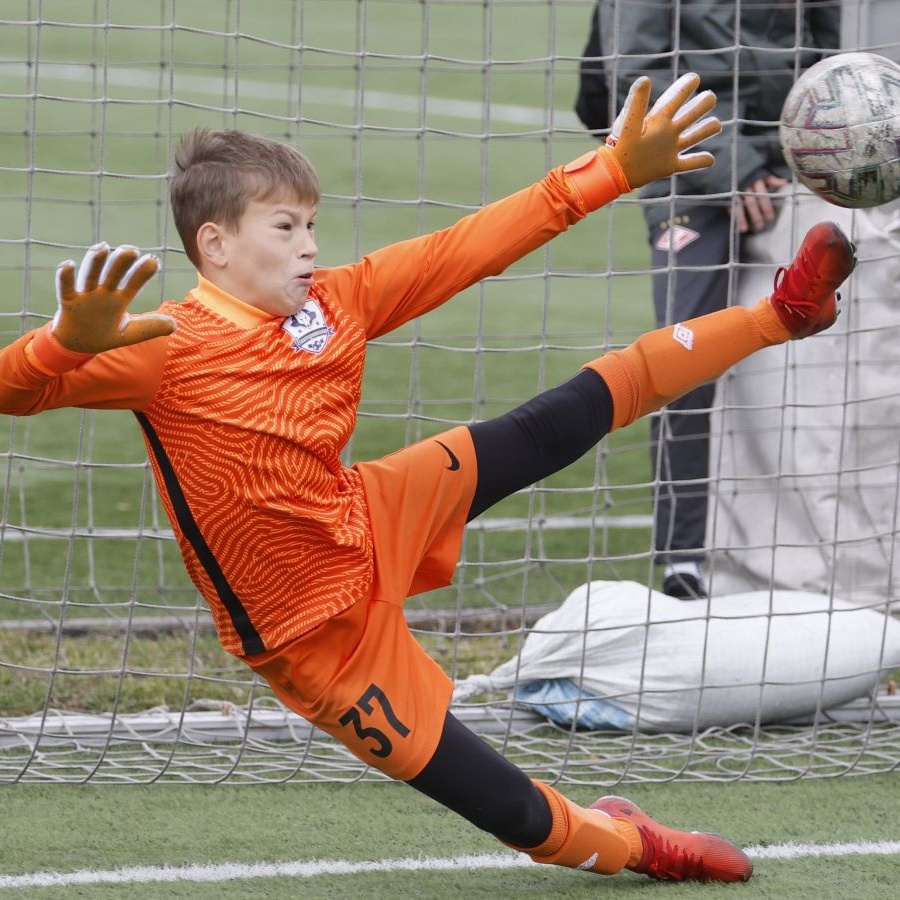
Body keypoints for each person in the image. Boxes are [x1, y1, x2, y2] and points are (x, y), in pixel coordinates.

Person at [0, 72, 856, 884]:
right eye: (286, 227)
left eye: (311, 224)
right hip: (315, 640)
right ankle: (637, 843)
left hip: (369, 511)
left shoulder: (337, 301)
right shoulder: (159, 345)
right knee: (519, 816)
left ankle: (782, 314)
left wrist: (613, 169)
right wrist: (65, 344)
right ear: (215, 245)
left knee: (558, 420)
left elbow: (468, 247)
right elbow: (13, 389)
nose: (311, 246)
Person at [576, 0, 842, 599]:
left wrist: (805, 155)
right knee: (685, 354)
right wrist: (734, 170)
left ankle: (824, 551)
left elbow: (829, 53)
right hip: (690, 168)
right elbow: (638, 75)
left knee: (836, 349)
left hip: (794, 165)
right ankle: (684, 562)